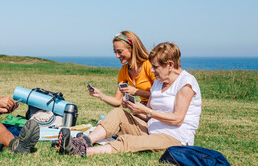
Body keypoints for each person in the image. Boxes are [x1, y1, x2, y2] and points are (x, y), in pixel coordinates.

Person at [59, 42, 202, 157]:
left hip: (175, 138)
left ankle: (83, 152)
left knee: (132, 142)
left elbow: (177, 119)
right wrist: (135, 109)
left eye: (155, 67)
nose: (152, 71)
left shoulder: (186, 83)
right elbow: (149, 113)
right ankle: (84, 141)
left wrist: (147, 111)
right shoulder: (159, 82)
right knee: (118, 114)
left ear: (170, 65)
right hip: (151, 129)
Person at [88, 31, 155, 106]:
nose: (117, 56)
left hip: (157, 110)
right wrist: (101, 95)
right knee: (116, 113)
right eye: (115, 52)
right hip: (143, 109)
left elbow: (163, 96)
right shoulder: (124, 70)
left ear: (132, 48)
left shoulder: (150, 65)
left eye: (120, 52)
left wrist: (136, 92)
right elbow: (117, 101)